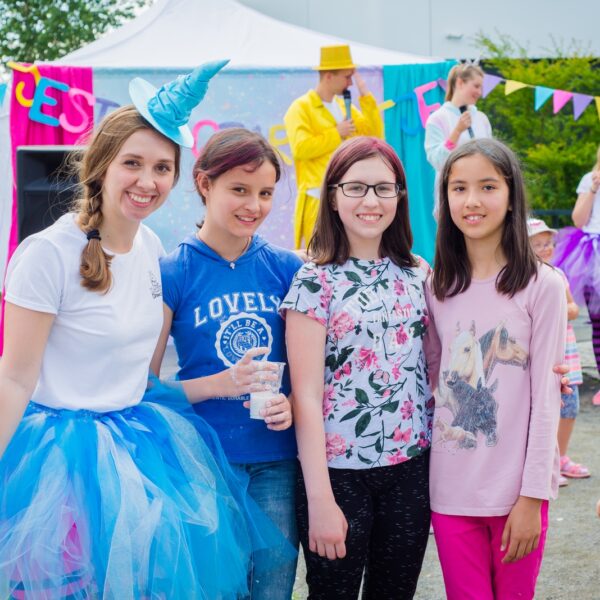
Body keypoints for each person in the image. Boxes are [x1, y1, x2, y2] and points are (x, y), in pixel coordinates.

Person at [0, 63, 292, 598]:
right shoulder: (46, 255)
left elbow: (145, 378)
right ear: (101, 165)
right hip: (62, 461)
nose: (147, 181)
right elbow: (14, 378)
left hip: (139, 451)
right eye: (132, 163)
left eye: (161, 168)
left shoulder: (150, 248)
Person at [151, 127, 301, 600]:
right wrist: (220, 383)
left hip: (275, 462)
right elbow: (147, 387)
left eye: (265, 193)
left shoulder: (288, 270)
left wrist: (293, 403)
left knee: (273, 587)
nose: (253, 205)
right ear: (204, 183)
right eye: (239, 189)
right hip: (204, 461)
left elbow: (314, 371)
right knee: (213, 589)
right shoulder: (173, 271)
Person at [281, 137, 433, 599]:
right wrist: (320, 500)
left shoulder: (418, 273)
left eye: (384, 188)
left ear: (399, 196)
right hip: (337, 474)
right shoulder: (313, 281)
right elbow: (306, 396)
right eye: (356, 188)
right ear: (333, 196)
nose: (371, 201)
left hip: (410, 469)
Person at [426, 139, 566, 600]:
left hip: (517, 495)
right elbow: (433, 383)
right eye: (459, 188)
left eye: (487, 187)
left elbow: (546, 400)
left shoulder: (542, 286)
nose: (472, 201)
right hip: (451, 492)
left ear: (511, 196)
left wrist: (533, 497)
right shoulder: (436, 286)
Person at [284, 44, 384, 249]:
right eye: (347, 77)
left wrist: (365, 95)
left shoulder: (343, 107)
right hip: (317, 197)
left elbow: (374, 137)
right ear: (329, 76)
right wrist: (336, 133)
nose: (350, 83)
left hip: (347, 197)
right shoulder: (301, 108)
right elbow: (300, 148)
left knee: (348, 253)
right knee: (319, 253)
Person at [528, 217, 589, 484]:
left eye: (548, 243)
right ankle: (545, 464)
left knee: (569, 407)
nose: (547, 248)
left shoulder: (557, 275)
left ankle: (561, 457)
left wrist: (563, 309)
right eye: (539, 244)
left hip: (567, 355)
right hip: (543, 359)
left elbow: (573, 308)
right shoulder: (524, 279)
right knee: (541, 410)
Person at [554, 144, 600, 406]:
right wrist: (593, 188)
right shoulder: (589, 179)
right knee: (598, 322)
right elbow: (578, 220)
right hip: (592, 255)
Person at [424, 63, 492, 217]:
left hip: (481, 197)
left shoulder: (482, 118)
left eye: (481, 87)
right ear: (460, 82)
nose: (480, 92)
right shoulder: (437, 118)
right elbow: (436, 161)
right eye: (476, 86)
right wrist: (457, 131)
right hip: (452, 197)